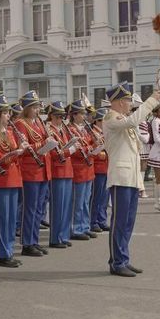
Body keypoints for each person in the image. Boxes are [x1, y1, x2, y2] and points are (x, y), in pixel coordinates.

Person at [102, 83, 160, 277]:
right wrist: (152, 100)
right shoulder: (111, 117)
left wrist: (140, 182)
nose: (130, 104)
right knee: (119, 221)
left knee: (128, 222)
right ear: (119, 102)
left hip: (131, 177)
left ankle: (123, 259)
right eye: (128, 100)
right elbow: (133, 121)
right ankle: (117, 262)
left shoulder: (124, 118)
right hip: (120, 177)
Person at [0, 95, 27, 267]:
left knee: (11, 218)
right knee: (2, 218)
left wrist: (21, 149)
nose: (9, 116)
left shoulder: (9, 132)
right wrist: (15, 153)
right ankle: (2, 254)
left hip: (14, 177)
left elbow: (15, 155)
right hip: (1, 179)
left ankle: (9, 250)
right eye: (6, 113)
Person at [12, 91, 52, 257]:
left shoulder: (39, 123)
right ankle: (27, 243)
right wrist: (43, 143)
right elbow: (24, 148)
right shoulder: (21, 124)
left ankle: (34, 240)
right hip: (30, 170)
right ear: (27, 108)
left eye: (38, 106)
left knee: (38, 209)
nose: (37, 110)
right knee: (29, 208)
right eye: (34, 107)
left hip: (42, 169)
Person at [45, 101, 75, 249]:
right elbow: (54, 152)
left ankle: (63, 235)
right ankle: (55, 238)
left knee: (66, 205)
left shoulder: (63, 128)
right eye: (57, 116)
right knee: (58, 206)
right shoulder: (49, 129)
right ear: (51, 116)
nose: (60, 119)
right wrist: (71, 150)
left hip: (67, 169)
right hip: (57, 170)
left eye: (62, 116)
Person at [67, 100, 97, 238]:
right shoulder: (70, 129)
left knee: (85, 201)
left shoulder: (84, 129)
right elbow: (78, 151)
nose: (85, 116)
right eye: (82, 113)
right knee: (77, 202)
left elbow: (90, 143)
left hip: (88, 168)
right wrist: (91, 147)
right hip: (79, 168)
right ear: (74, 115)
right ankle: (76, 228)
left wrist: (96, 143)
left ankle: (84, 226)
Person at [88, 109, 110, 232]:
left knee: (105, 197)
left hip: (107, 167)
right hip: (98, 167)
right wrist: (101, 154)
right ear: (97, 121)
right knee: (96, 196)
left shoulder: (105, 133)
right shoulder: (92, 133)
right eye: (103, 120)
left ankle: (102, 219)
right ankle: (93, 220)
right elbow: (92, 151)